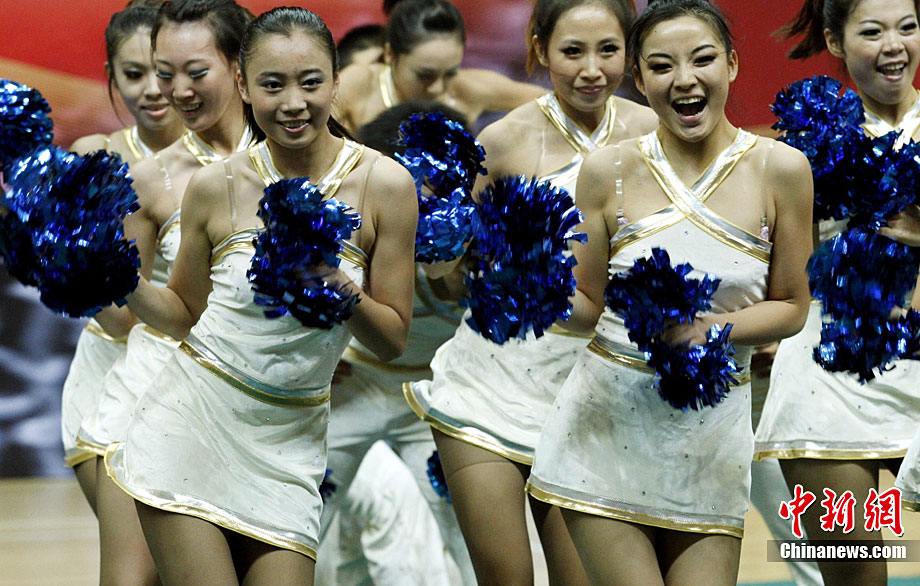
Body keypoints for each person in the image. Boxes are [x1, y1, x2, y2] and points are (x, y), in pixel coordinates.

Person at [105, 7, 417, 584]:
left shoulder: (386, 184)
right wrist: (121, 279)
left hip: (292, 445)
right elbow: (183, 314)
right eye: (272, 85)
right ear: (244, 86)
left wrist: (333, 281)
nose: (293, 103)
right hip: (189, 422)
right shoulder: (214, 185)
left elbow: (393, 338)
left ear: (336, 82)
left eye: (310, 82)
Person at [526, 1, 813, 584]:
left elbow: (792, 306)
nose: (684, 79)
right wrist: (526, 286)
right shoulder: (605, 170)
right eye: (661, 66)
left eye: (702, 59)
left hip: (711, 439)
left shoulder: (782, 169)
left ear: (732, 64)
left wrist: (712, 330)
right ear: (639, 79)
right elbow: (587, 306)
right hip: (602, 432)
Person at [404, 1, 656, 583]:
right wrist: (444, 243)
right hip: (488, 383)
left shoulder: (653, 133)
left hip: (594, 391)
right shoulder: (502, 140)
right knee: (508, 576)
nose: (591, 69)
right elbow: (447, 271)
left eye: (608, 50)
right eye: (572, 51)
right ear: (540, 49)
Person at [74, 1, 254, 583]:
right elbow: (131, 315)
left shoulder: (305, 156)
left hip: (265, 404)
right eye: (153, 72)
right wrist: (80, 263)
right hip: (148, 384)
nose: (167, 91)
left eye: (191, 72)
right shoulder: (138, 176)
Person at [754, 0, 920, 583]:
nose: (893, 45)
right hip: (826, 374)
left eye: (907, 27)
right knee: (853, 570)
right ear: (834, 41)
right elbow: (774, 247)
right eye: (872, 31)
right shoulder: (810, 134)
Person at [318, 100, 474, 586]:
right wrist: (319, 355)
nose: (422, 195)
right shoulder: (359, 213)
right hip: (353, 387)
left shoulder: (485, 233)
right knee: (304, 519)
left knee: (468, 532)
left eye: (437, 183)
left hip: (431, 402)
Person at [60, 0, 183, 513]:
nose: (152, 89)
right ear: (111, 75)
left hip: (201, 367)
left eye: (165, 73)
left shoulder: (231, 160)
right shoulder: (96, 155)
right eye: (134, 74)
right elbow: (115, 318)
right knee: (132, 553)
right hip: (109, 365)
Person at [334, 0, 546, 133]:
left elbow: (553, 103)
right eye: (424, 75)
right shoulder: (360, 83)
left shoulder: (467, 88)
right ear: (390, 55)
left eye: (450, 73)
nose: (437, 88)